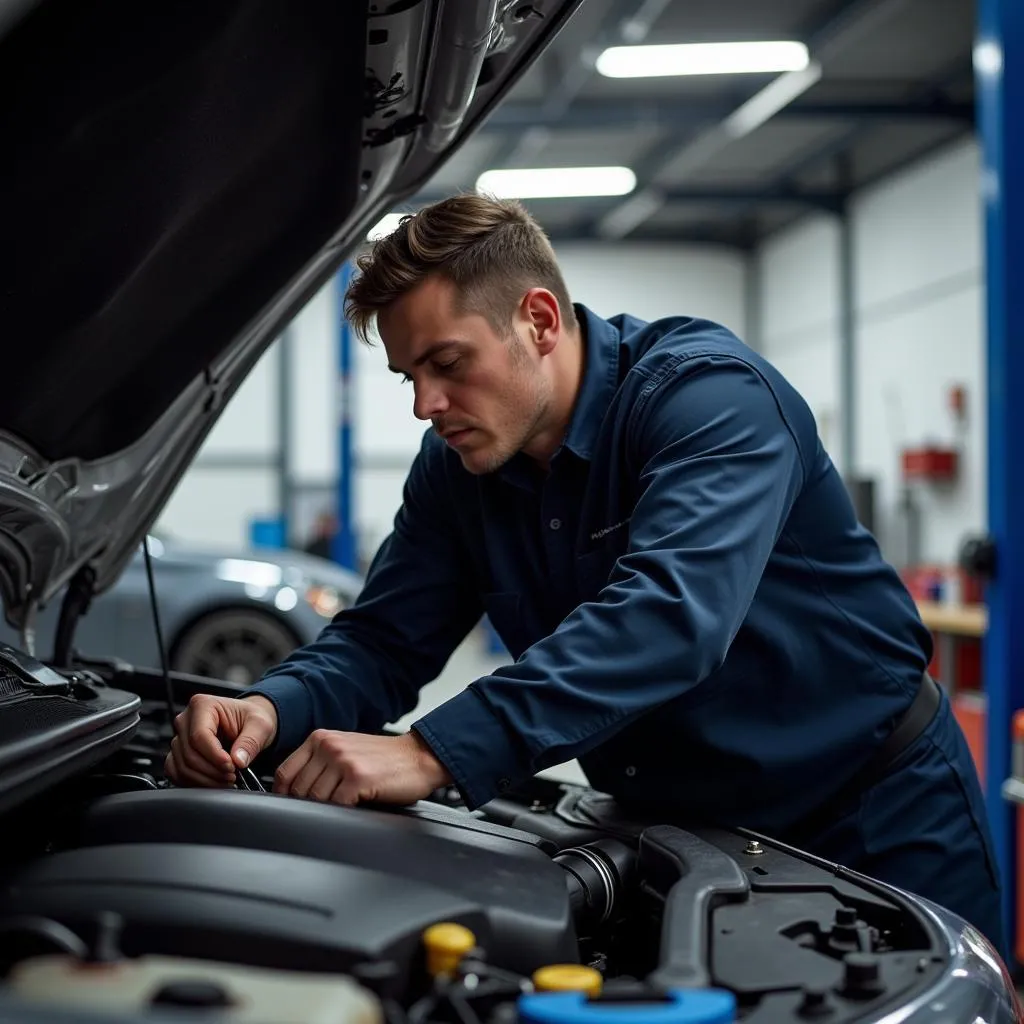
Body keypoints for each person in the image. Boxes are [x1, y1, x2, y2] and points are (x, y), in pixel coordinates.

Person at [165, 194, 1004, 954]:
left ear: (537, 318)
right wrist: (271, 707)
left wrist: (432, 751)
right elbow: (383, 638)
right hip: (688, 841)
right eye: (409, 376)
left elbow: (671, 618)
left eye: (447, 363)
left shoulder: (709, 399)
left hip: (870, 816)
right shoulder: (456, 472)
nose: (424, 404)